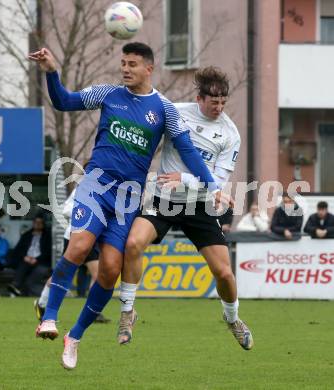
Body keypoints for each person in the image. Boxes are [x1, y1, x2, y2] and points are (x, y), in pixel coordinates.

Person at [29, 43, 231, 369]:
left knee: (109, 270)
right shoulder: (107, 93)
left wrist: (212, 186)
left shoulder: (165, 109)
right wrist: (52, 71)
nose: (125, 69)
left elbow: (189, 152)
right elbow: (63, 101)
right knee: (80, 245)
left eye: (132, 64)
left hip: (128, 199)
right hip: (96, 185)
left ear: (148, 68)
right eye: (123, 63)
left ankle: (74, 337)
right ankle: (49, 318)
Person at [117, 66, 253, 351]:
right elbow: (145, 129)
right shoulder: (175, 112)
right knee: (132, 244)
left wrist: (185, 179)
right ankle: (128, 311)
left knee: (224, 273)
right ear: (199, 98)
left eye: (223, 103)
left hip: (199, 206)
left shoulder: (230, 134)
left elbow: (217, 182)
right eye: (213, 102)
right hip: (163, 200)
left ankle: (233, 319)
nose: (219, 108)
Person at [34, 189, 110, 324]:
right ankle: (41, 303)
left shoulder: (108, 187)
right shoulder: (83, 187)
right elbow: (66, 209)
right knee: (61, 275)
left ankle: (93, 312)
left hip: (93, 238)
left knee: (98, 275)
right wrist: (86, 213)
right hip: (75, 237)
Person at [8, 216, 51, 296]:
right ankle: (15, 286)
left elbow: (48, 252)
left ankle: (21, 291)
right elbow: (18, 250)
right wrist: (25, 257)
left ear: (43, 224)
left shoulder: (47, 237)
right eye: (36, 223)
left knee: (33, 277)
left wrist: (37, 259)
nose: (37, 224)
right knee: (23, 266)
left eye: (40, 223)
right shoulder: (26, 235)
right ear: (33, 224)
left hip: (40, 262)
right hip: (26, 260)